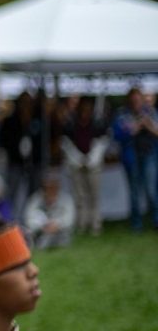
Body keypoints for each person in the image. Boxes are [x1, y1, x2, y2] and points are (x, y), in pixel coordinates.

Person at [59, 97, 108, 235]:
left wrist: (92, 158)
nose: (86, 112)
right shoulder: (71, 123)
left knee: (94, 194)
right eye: (83, 108)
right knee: (79, 195)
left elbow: (103, 142)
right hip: (75, 163)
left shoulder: (97, 123)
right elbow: (66, 143)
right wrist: (77, 158)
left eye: (88, 109)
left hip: (94, 163)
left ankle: (95, 224)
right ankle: (81, 223)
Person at [111, 87, 158, 231]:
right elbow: (117, 135)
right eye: (133, 100)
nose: (136, 102)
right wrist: (134, 128)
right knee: (134, 190)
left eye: (138, 99)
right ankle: (136, 223)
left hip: (149, 154)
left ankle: (156, 220)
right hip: (131, 156)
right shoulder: (122, 114)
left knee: (151, 188)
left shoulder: (150, 112)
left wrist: (148, 125)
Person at [21, 172, 74, 250]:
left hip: (59, 232)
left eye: (53, 188)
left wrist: (57, 225)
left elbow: (69, 219)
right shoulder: (36, 199)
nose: (50, 191)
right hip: (40, 232)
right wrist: (42, 227)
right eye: (48, 188)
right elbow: (28, 218)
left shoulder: (66, 199)